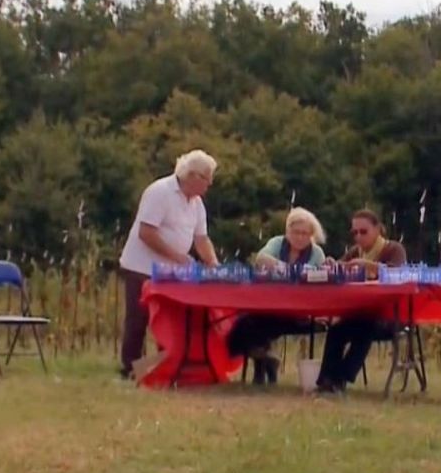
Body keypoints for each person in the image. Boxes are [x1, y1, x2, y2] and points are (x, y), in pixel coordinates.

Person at [118, 149, 220, 379]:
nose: (209, 184)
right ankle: (130, 369)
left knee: (168, 320)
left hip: (171, 272)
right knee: (138, 319)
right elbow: (146, 232)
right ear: (192, 176)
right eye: (207, 178)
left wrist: (213, 262)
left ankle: (165, 366)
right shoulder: (160, 192)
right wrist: (179, 257)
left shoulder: (196, 204)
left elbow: (201, 238)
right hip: (142, 267)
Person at [227, 207, 329, 385]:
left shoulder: (316, 253)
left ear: (311, 235)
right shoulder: (277, 242)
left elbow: (314, 275)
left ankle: (264, 363)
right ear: (288, 231)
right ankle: (265, 360)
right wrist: (288, 270)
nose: (299, 237)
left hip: (299, 310)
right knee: (244, 322)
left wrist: (283, 270)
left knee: (260, 324)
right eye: (296, 232)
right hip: (270, 304)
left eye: (305, 233)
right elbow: (262, 258)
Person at [316, 209, 408, 393]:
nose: (358, 236)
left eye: (363, 232)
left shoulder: (393, 249)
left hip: (390, 316)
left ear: (378, 229)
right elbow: (340, 268)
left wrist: (369, 266)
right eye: (354, 232)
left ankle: (341, 378)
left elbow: (399, 274)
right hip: (360, 313)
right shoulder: (355, 252)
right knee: (337, 330)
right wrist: (332, 265)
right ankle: (326, 380)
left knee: (365, 327)